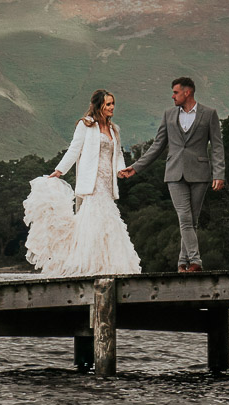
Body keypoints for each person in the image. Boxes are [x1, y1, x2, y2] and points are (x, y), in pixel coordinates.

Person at [22, 89, 142, 276]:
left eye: (113, 104)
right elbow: (74, 149)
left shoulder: (113, 129)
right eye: (108, 104)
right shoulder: (85, 125)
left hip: (107, 183)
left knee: (109, 220)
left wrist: (121, 169)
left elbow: (117, 154)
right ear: (99, 105)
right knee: (94, 218)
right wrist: (59, 171)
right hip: (91, 182)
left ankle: (109, 266)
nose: (112, 108)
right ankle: (89, 266)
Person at [118, 77, 224, 272]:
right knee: (185, 217)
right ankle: (195, 261)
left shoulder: (209, 114)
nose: (172, 96)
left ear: (187, 92)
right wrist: (136, 167)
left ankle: (182, 263)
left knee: (192, 221)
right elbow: (157, 146)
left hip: (200, 174)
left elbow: (217, 146)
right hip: (174, 174)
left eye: (175, 92)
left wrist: (219, 173)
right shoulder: (168, 115)